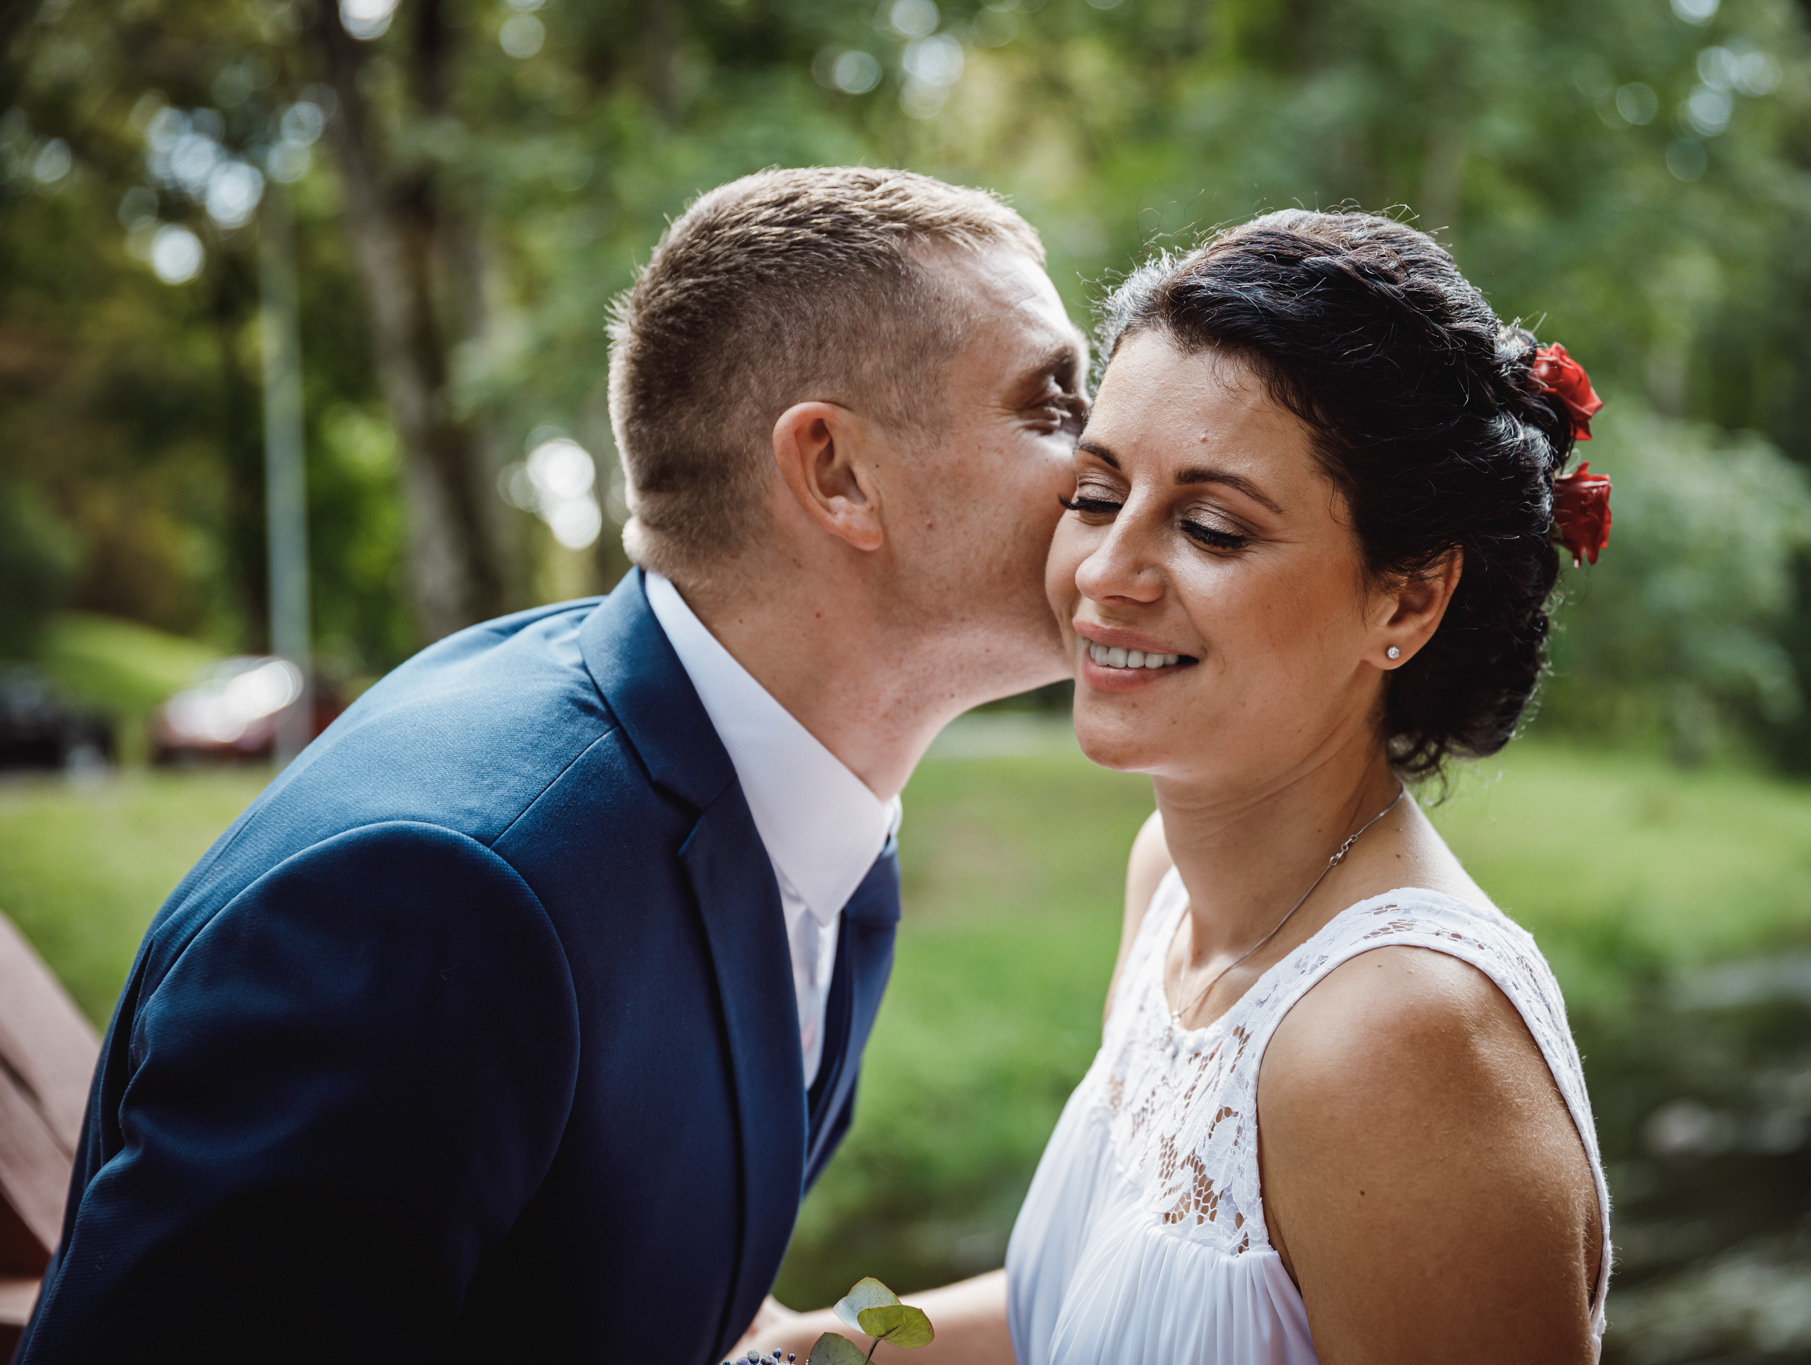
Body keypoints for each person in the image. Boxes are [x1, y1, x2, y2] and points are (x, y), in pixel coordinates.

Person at [16, 167, 1089, 1363]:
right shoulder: (436, 901)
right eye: (1053, 404)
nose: (1107, 461)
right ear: (836, 473)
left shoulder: (792, 785)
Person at [738, 210, 1612, 1364]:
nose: (1105, 572)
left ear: (1403, 597)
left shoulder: (1399, 1039)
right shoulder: (1167, 881)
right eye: (1095, 496)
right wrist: (812, 1348)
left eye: (1208, 526)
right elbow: (1102, 1298)